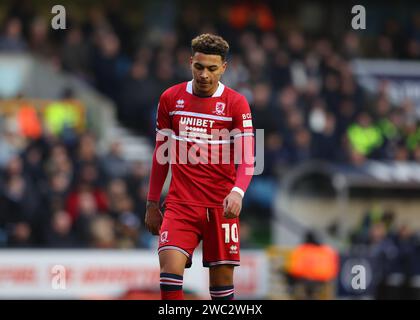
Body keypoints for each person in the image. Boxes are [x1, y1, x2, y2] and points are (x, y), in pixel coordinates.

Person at [145, 34, 254, 300]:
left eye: (212, 69)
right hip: (180, 205)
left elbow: (248, 157)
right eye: (199, 67)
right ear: (190, 62)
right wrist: (151, 203)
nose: (204, 74)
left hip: (220, 208)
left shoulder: (236, 103)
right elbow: (161, 155)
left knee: (221, 290)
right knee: (169, 278)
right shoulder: (170, 99)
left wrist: (238, 192)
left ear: (224, 68)